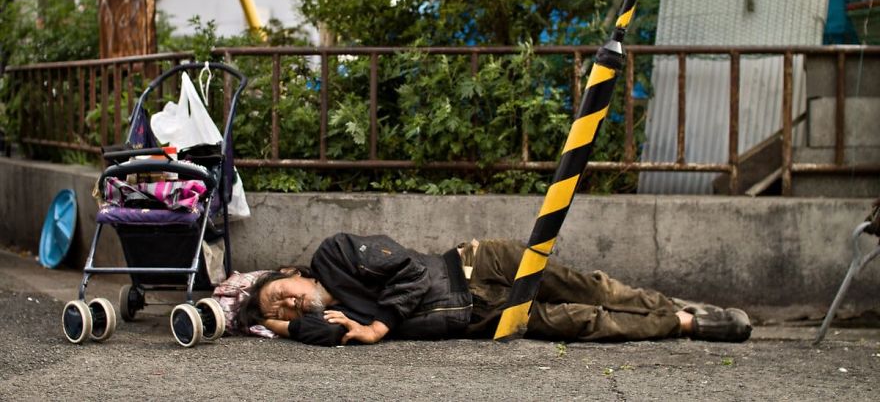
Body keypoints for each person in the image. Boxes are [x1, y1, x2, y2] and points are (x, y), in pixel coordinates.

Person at [238, 233, 752, 346]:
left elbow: (411, 272)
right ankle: (688, 323)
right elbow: (319, 335)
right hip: (479, 317)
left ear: (292, 271)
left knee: (587, 289)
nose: (290, 303)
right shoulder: (333, 322)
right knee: (581, 323)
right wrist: (270, 322)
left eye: (282, 291)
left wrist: (377, 325)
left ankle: (671, 306)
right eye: (282, 309)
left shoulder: (335, 254)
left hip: (480, 266)